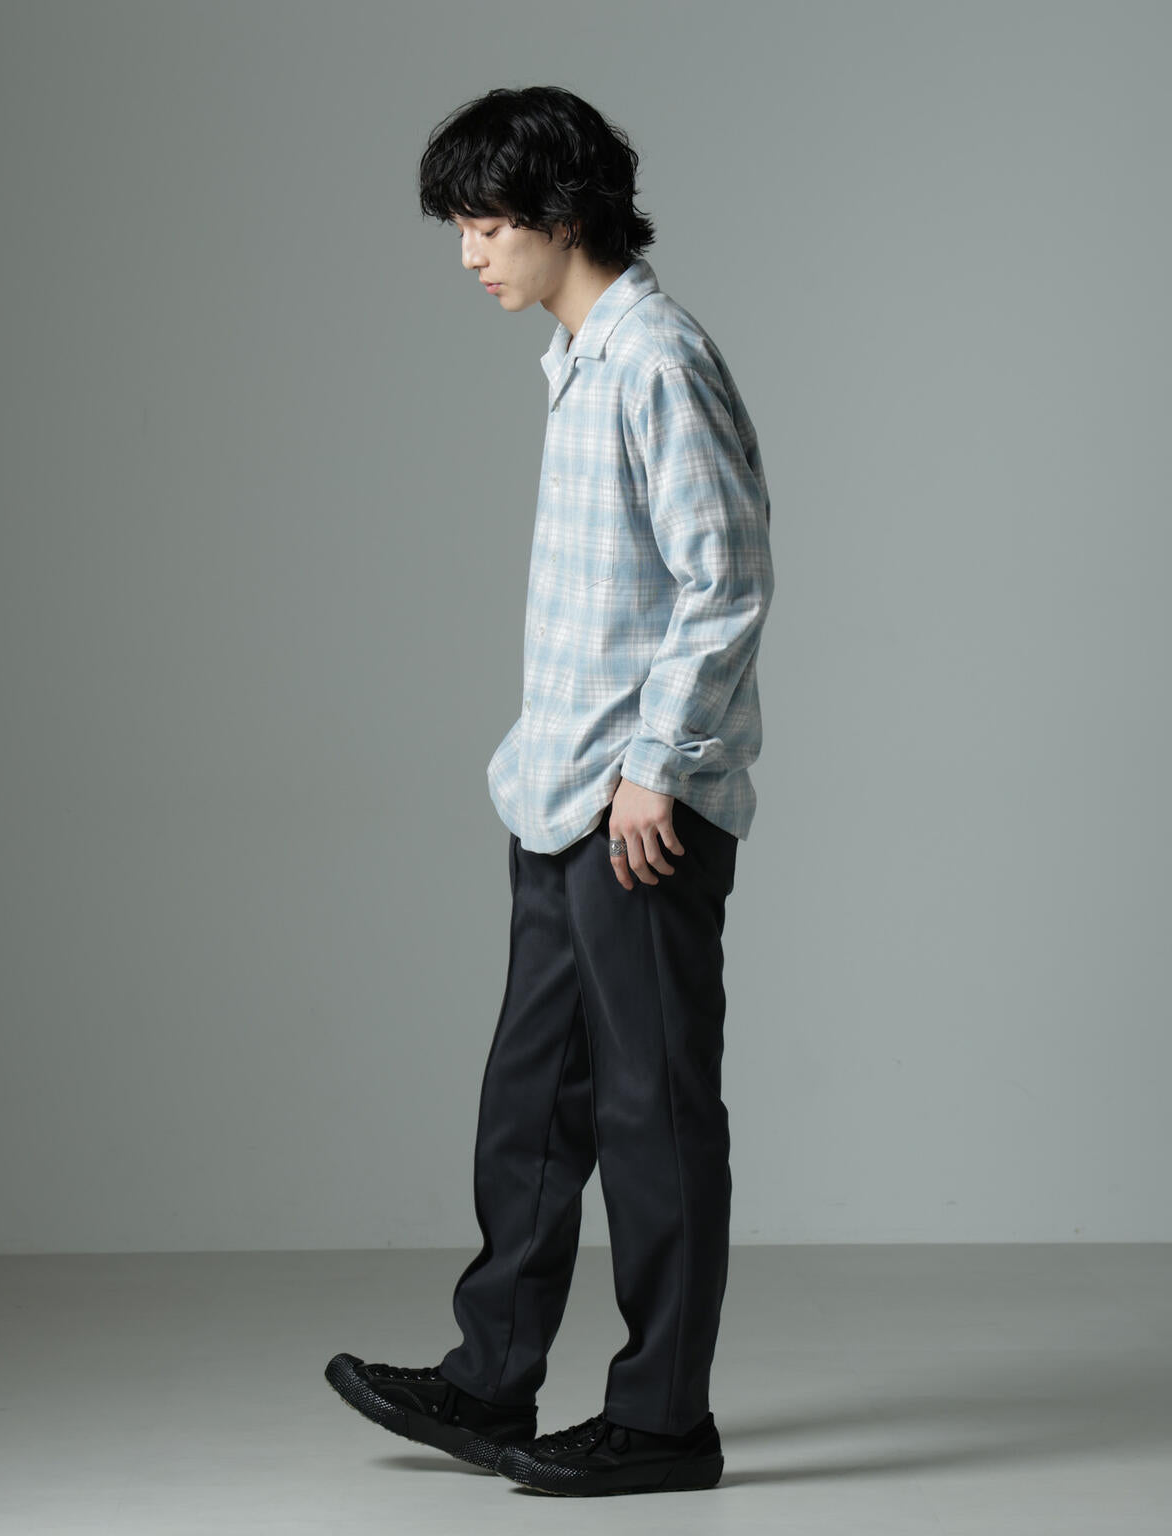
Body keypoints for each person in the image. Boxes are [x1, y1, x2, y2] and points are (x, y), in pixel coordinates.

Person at [326, 84, 774, 1498]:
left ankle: (663, 1420)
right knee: (532, 1098)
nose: (468, 252)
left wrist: (658, 770)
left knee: (652, 1111)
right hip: (559, 791)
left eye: (485, 224)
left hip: (640, 811)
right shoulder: (581, 359)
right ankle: (488, 1377)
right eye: (461, 226)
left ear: (561, 214)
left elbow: (726, 581)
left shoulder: (656, 359)